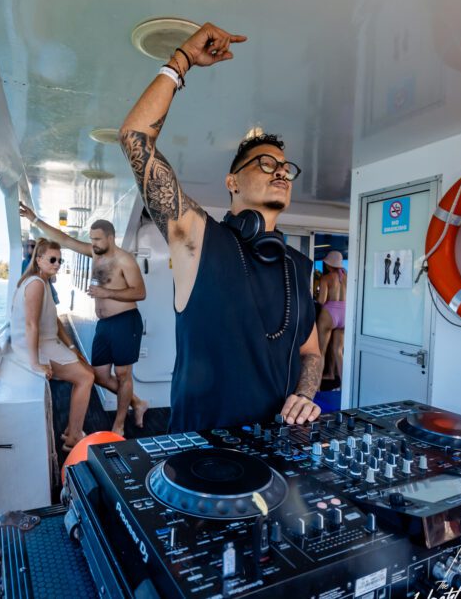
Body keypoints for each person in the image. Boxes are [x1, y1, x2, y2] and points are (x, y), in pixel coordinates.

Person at [118, 22, 322, 432]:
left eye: (285, 167)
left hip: (275, 456)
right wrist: (183, 61)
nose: (280, 171)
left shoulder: (299, 266)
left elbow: (312, 353)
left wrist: (305, 394)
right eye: (266, 164)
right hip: (199, 462)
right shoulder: (199, 240)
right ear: (232, 183)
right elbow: (134, 138)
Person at [18, 203, 148, 436]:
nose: (94, 243)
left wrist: (108, 293)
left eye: (98, 239)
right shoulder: (94, 254)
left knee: (123, 374)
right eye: (92, 239)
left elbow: (140, 292)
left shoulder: (125, 260)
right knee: (98, 375)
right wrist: (35, 219)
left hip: (125, 322)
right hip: (105, 325)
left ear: (110, 237)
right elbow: (65, 240)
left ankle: (119, 423)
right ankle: (137, 402)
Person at [10, 238, 94, 450]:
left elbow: (54, 321)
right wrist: (35, 362)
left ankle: (71, 430)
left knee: (86, 371)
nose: (57, 264)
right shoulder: (37, 284)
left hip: (47, 341)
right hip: (36, 346)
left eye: (60, 261)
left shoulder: (42, 281)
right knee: (86, 377)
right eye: (52, 259)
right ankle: (74, 436)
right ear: (39, 260)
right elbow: (30, 325)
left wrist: (72, 347)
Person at [317, 252, 347, 384]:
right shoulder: (347, 277)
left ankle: (316, 387)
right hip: (344, 313)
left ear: (329, 265)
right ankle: (344, 385)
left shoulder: (326, 278)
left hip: (329, 313)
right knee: (338, 351)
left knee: (319, 352)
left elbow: (321, 300)